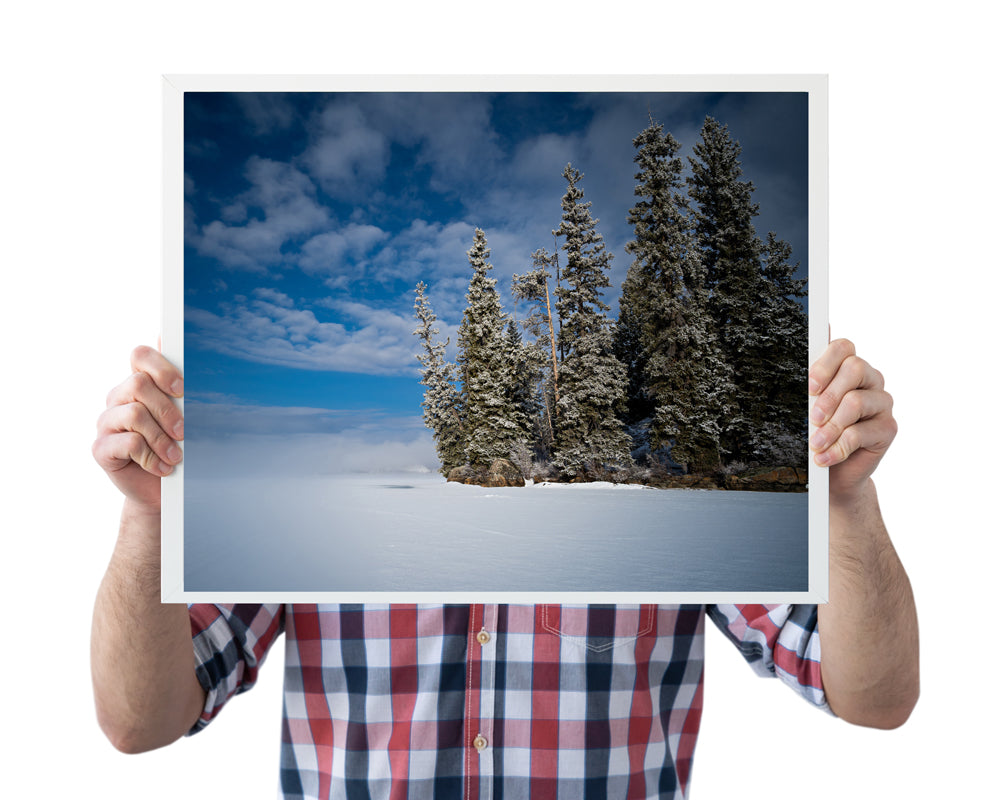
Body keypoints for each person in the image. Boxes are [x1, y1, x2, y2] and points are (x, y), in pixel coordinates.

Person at [91, 339, 918, 799]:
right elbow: (141, 719)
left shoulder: (660, 511)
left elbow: (874, 696)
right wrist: (148, 516)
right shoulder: (291, 514)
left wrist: (845, 503)